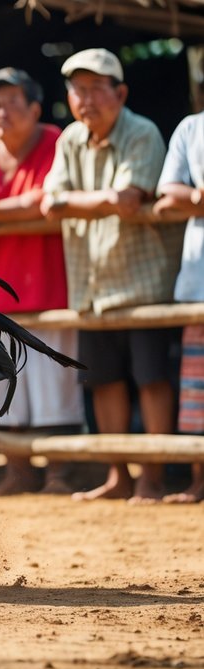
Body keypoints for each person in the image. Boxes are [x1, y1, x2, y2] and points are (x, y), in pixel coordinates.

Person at [39, 47, 183, 504]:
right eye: (78, 90)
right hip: (91, 283)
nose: (86, 99)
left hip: (144, 281)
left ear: (120, 93)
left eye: (96, 88)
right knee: (103, 380)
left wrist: (74, 201)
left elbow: (125, 198)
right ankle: (118, 475)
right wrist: (94, 200)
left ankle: (152, 478)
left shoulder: (142, 132)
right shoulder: (69, 140)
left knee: (152, 379)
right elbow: (49, 202)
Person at [0, 67, 83, 495]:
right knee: (9, 386)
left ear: (35, 109)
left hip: (53, 288)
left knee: (56, 384)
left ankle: (62, 473)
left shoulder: (57, 143)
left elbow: (47, 200)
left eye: (11, 102)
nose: (1, 111)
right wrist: (2, 210)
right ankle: (18, 472)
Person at [155, 106, 204, 503]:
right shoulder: (191, 127)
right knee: (198, 390)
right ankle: (200, 479)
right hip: (199, 280)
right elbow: (168, 190)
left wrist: (194, 199)